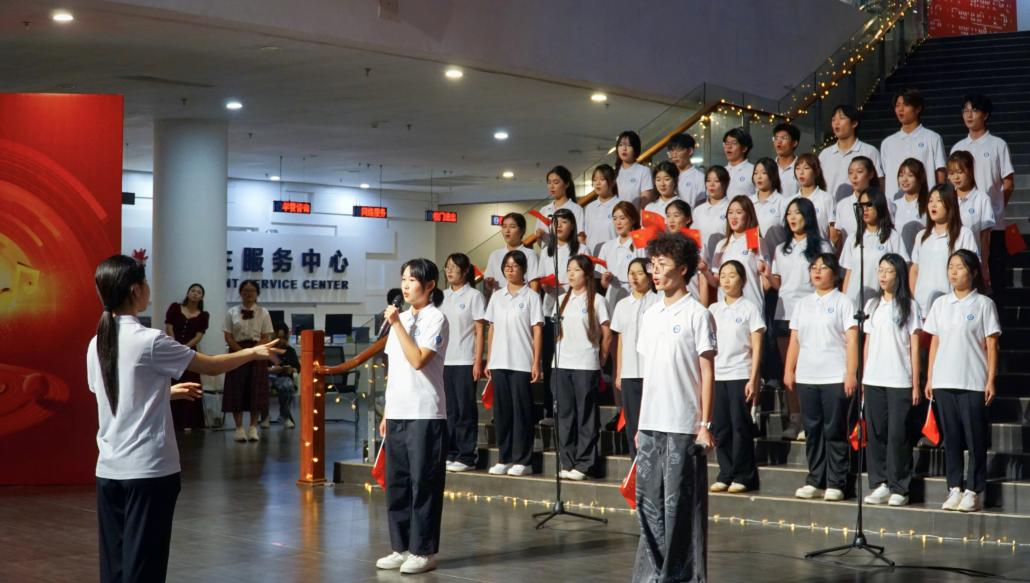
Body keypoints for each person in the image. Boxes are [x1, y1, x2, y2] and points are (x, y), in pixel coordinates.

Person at [89, 255, 281, 583]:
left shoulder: (97, 343)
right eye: (145, 282)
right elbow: (211, 365)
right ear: (136, 290)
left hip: (109, 469)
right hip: (149, 470)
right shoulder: (150, 340)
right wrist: (253, 352)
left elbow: (114, 397)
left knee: (115, 566)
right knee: (144, 567)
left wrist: (166, 393)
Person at [633, 231, 715, 583]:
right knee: (648, 506)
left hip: (684, 424)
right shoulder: (650, 314)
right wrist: (640, 424)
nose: (654, 271)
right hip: (652, 423)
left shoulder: (698, 314)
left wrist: (704, 424)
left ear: (682, 269)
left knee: (680, 507)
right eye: (652, 264)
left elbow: (707, 371)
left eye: (662, 265)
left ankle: (682, 576)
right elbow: (649, 374)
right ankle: (652, 575)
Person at [375, 258, 450, 575]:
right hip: (398, 411)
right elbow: (394, 368)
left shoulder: (437, 318)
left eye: (412, 280)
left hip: (425, 412)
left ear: (429, 285)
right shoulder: (401, 318)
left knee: (424, 483)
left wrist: (396, 325)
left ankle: (424, 551)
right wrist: (387, 411)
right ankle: (401, 547)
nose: (405, 285)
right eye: (403, 279)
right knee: (398, 484)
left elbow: (418, 360)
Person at [924, 250, 1001, 513]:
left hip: (973, 380)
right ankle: (954, 487)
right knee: (952, 439)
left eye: (959, 267)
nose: (954, 272)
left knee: (975, 438)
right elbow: (935, 342)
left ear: (973, 272)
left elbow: (992, 344)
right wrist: (930, 377)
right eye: (951, 267)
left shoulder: (983, 304)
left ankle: (973, 491)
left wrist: (991, 379)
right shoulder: (940, 304)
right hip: (945, 380)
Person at [784, 253, 858, 502]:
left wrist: (851, 373)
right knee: (812, 430)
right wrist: (789, 369)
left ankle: (836, 482)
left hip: (834, 375)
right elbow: (795, 339)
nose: (817, 271)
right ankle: (815, 479)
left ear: (834, 274)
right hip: (807, 375)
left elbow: (852, 341)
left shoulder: (843, 302)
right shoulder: (802, 304)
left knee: (834, 430)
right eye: (813, 267)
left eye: (823, 267)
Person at [770, 198, 834, 440]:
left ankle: (811, 420)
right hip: (784, 313)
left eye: (797, 213)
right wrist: (766, 275)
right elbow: (778, 283)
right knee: (790, 369)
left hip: (812, 312)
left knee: (808, 366)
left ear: (807, 215)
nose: (792, 217)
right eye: (789, 213)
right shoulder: (780, 248)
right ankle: (795, 419)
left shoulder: (822, 245)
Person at [862, 253, 921, 507]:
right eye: (880, 270)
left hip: (899, 379)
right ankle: (880, 483)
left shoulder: (910, 306)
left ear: (899, 275)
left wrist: (916, 383)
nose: (883, 276)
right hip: (874, 378)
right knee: (876, 433)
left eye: (889, 271)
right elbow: (867, 343)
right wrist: (864, 377)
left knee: (898, 434)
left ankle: (900, 486)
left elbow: (914, 347)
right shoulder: (871, 305)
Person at [951, 93, 1016, 311]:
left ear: (985, 115)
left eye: (974, 110)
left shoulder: (997, 144)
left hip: (993, 224)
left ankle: (996, 322)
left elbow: (1008, 183)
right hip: (964, 225)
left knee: (994, 276)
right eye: (965, 110)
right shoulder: (958, 147)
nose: (969, 115)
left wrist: (995, 208)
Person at [483, 250, 544, 476]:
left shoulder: (531, 297)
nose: (510, 269)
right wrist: (489, 359)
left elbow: (537, 331)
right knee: (502, 413)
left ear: (524, 269)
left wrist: (536, 362)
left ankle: (523, 460)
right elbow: (492, 329)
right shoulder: (497, 296)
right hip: (499, 361)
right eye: (506, 266)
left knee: (522, 413)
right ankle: (504, 457)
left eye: (514, 265)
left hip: (521, 361)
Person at [553, 255, 611, 480]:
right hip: (561, 364)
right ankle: (567, 461)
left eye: (576, 270)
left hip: (585, 364)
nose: (571, 274)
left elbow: (607, 334)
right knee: (565, 414)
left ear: (587, 274)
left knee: (586, 414)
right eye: (569, 269)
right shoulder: (560, 299)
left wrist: (602, 358)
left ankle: (585, 463)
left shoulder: (597, 300)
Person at [708, 260, 763, 494]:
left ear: (743, 280)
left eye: (732, 275)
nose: (726, 280)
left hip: (740, 373)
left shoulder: (749, 308)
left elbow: (757, 346)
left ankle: (743, 475)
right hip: (717, 375)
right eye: (723, 275)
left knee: (740, 426)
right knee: (721, 427)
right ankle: (725, 473)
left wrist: (753, 378)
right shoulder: (713, 309)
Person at [440, 253, 487, 473]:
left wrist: (478, 361)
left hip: (465, 359)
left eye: (454, 267)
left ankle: (467, 455)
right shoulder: (441, 296)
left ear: (466, 270)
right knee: (449, 410)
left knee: (465, 409)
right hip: (444, 360)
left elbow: (479, 330)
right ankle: (450, 452)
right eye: (447, 266)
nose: (449, 270)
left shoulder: (474, 296)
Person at [535, 207, 583, 422]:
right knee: (549, 360)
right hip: (550, 309)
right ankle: (549, 407)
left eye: (564, 222)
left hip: (574, 311)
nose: (559, 226)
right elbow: (540, 278)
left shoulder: (581, 248)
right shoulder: (547, 250)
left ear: (572, 225)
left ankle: (571, 407)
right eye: (555, 222)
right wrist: (545, 285)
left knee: (570, 359)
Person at [609, 258, 657, 458]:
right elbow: (620, 340)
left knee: (651, 422)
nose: (634, 277)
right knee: (632, 423)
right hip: (629, 372)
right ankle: (636, 464)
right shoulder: (622, 305)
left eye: (639, 273)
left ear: (650, 276)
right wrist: (619, 372)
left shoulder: (658, 301)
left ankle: (654, 465)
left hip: (651, 372)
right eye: (631, 273)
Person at [910, 184, 980, 318]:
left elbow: (972, 269)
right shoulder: (921, 236)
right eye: (930, 201)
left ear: (950, 204)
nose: (933, 205)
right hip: (921, 309)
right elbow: (915, 270)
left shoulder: (964, 234)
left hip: (952, 307)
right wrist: (914, 299)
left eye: (939, 201)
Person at [223, 279, 274, 443]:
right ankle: (239, 428)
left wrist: (251, 352)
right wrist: (241, 352)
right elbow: (228, 336)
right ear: (240, 293)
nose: (249, 293)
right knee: (236, 389)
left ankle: (253, 427)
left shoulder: (264, 313)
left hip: (257, 352)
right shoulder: (231, 312)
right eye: (245, 290)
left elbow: (266, 337)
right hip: (236, 351)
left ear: (257, 293)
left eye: (252, 291)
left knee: (256, 390)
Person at [841, 190, 909, 311]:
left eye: (869, 205)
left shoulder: (892, 237)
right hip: (853, 302)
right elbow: (848, 273)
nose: (865, 209)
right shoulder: (853, 238)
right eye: (861, 205)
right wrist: (844, 301)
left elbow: (901, 271)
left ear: (879, 206)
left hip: (879, 303)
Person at [705, 195, 771, 314]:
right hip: (726, 310)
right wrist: (704, 270)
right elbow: (716, 281)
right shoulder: (721, 245)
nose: (733, 216)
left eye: (739, 212)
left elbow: (766, 284)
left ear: (748, 215)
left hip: (750, 308)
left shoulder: (754, 240)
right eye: (730, 212)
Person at [880, 88, 947, 198]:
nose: (900, 109)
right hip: (895, 204)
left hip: (925, 201)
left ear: (918, 108)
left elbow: (940, 171)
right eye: (897, 105)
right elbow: (884, 175)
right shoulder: (887, 143)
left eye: (906, 105)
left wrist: (940, 198)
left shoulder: (933, 138)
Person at [163, 283, 209, 431]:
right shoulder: (175, 307)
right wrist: (175, 344)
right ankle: (172, 422)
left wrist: (185, 348)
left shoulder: (203, 315)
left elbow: (199, 336)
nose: (195, 293)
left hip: (190, 352)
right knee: (173, 382)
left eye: (199, 292)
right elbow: (169, 326)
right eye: (192, 290)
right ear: (188, 293)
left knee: (191, 383)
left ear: (202, 297)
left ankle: (190, 422)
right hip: (172, 349)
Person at [818, 104, 884, 202]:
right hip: (830, 208)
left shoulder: (869, 151)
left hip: (862, 207)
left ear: (854, 123)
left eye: (842, 118)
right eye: (833, 119)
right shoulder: (825, 154)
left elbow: (879, 183)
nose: (836, 123)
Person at [947, 150, 996, 270]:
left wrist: (984, 265)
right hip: (947, 260)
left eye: (960, 172)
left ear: (970, 171)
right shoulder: (946, 198)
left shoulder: (982, 198)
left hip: (971, 262)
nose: (956, 177)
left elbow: (985, 237)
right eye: (952, 173)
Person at [833, 156, 894, 251]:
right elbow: (839, 239)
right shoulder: (842, 205)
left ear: (870, 174)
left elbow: (889, 230)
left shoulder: (883, 201)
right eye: (850, 172)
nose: (854, 177)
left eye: (859, 172)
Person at [598, 200, 645, 311]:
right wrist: (605, 279)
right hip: (612, 297)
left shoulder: (640, 245)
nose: (618, 222)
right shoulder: (606, 247)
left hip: (635, 294)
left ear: (633, 220)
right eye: (615, 218)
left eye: (622, 218)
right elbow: (603, 284)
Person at [666, 199, 711, 305]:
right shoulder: (663, 246)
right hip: (669, 301)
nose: (671, 220)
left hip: (693, 301)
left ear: (688, 219)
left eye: (676, 215)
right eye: (668, 216)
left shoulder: (697, 244)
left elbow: (703, 279)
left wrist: (703, 307)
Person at [484, 212, 538, 298]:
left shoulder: (530, 254)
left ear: (522, 230)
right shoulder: (495, 255)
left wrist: (533, 302)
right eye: (504, 226)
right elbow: (488, 286)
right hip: (500, 301)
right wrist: (488, 284)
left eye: (512, 227)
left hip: (522, 301)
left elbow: (534, 283)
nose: (507, 230)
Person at [533, 165, 585, 245]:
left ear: (567, 184)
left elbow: (580, 238)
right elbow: (540, 243)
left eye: (556, 182)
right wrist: (540, 236)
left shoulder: (576, 209)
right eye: (549, 183)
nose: (551, 186)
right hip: (547, 252)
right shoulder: (544, 210)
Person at [790, 153, 835, 240]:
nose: (801, 172)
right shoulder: (791, 201)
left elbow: (833, 233)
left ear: (816, 171)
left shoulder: (827, 199)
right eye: (797, 168)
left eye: (806, 168)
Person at [694, 166, 731, 267]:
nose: (711, 184)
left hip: (724, 263)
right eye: (708, 180)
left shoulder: (731, 208)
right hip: (702, 264)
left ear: (725, 183)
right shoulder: (698, 210)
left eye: (716, 181)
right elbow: (694, 239)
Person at [751, 157, 789, 252]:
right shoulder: (749, 201)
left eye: (764, 173)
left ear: (773, 175)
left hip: (776, 255)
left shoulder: (783, 202)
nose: (759, 177)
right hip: (754, 254)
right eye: (756, 173)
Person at [893, 158, 930, 256]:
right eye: (901, 175)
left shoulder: (929, 205)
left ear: (920, 178)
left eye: (910, 175)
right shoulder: (894, 205)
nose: (904, 179)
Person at [583, 164, 620, 254]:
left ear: (613, 182)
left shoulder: (620, 205)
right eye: (595, 180)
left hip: (613, 255)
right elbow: (586, 236)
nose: (597, 183)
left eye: (602, 179)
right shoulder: (589, 208)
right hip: (592, 257)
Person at [268, 322, 300, 428]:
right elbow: (260, 368)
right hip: (268, 377)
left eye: (283, 338)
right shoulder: (266, 350)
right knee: (262, 385)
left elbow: (297, 367)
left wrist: (291, 369)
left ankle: (284, 415)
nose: (280, 340)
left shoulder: (289, 351)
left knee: (286, 385)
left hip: (283, 378)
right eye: (278, 337)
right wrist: (272, 370)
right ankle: (264, 416)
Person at [614, 130, 655, 207]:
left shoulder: (644, 171)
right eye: (621, 145)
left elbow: (646, 201)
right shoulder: (614, 173)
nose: (624, 148)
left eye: (628, 145)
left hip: (635, 214)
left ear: (635, 149)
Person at [667, 133, 706, 207]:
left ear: (690, 151)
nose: (674, 155)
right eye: (672, 151)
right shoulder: (667, 176)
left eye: (678, 150)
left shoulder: (700, 178)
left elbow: (701, 206)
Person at [724, 127, 756, 198]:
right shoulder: (722, 171)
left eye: (734, 143)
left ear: (744, 148)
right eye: (727, 143)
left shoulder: (753, 171)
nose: (729, 147)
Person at [773, 122, 801, 197]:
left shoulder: (802, 168)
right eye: (776, 138)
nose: (779, 141)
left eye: (784, 138)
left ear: (794, 143)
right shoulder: (769, 167)